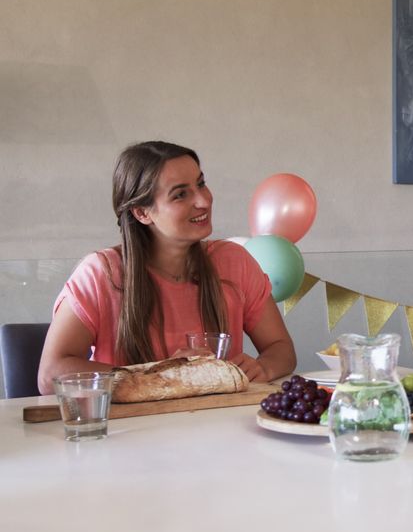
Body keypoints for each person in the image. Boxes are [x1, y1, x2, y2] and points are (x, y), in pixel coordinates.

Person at [37, 141, 296, 394]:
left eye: (201, 183)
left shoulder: (234, 261)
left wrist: (262, 367)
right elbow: (51, 375)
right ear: (142, 213)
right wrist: (159, 374)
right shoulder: (100, 273)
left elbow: (281, 348)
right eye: (180, 194)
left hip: (220, 426)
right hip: (131, 433)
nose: (203, 201)